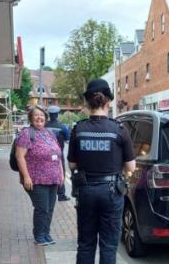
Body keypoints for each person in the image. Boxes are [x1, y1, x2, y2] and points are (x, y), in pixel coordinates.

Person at [67, 79, 136, 264]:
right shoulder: (119, 129)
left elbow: (72, 165)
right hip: (112, 191)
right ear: (108, 102)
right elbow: (131, 167)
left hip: (86, 191)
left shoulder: (78, 129)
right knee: (109, 245)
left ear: (88, 103)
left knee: (86, 244)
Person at [15, 105, 64, 246]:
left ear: (45, 118)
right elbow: (20, 156)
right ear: (31, 118)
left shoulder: (49, 133)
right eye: (36, 115)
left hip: (53, 179)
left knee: (50, 208)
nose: (39, 117)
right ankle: (39, 236)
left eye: (42, 115)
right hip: (36, 180)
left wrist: (61, 173)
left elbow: (58, 155)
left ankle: (46, 233)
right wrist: (26, 177)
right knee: (42, 208)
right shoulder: (26, 134)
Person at [45, 105, 71, 201]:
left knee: (47, 172)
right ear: (57, 115)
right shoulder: (62, 127)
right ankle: (61, 194)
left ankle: (48, 193)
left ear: (49, 115)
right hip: (58, 154)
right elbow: (67, 138)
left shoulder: (44, 126)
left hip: (45, 154)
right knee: (60, 172)